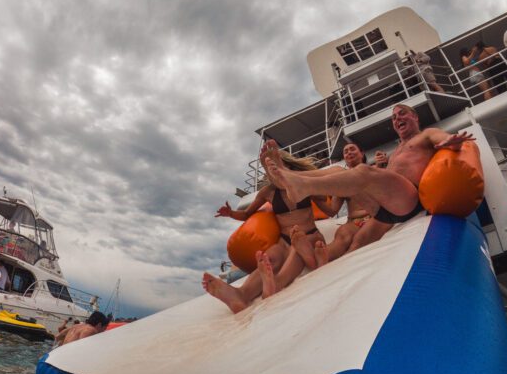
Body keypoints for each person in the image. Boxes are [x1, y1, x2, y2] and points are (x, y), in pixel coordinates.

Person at [262, 104, 475, 251]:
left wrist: (451, 142)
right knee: (340, 174)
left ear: (415, 117)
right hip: (385, 209)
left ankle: (300, 185)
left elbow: (442, 138)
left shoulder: (426, 134)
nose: (397, 118)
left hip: (409, 201)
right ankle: (291, 175)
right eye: (394, 118)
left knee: (364, 172)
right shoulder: (398, 149)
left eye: (402, 114)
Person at [202, 151, 331, 313]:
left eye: (273, 167)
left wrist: (294, 179)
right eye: (267, 170)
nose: (270, 173)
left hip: (309, 236)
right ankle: (241, 294)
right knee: (269, 258)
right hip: (284, 240)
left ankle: (275, 284)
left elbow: (322, 196)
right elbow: (247, 214)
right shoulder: (268, 192)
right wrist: (231, 213)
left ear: (284, 166)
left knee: (296, 253)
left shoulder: (302, 182)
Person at [258, 142, 386, 297]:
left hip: (374, 216)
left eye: (352, 149)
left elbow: (387, 188)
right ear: (344, 158)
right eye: (345, 152)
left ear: (362, 153)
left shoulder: (373, 169)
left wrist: (383, 166)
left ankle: (339, 262)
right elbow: (332, 211)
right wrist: (312, 194)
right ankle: (316, 258)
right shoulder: (342, 180)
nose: (349, 153)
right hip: (353, 221)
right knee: (342, 237)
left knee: (359, 239)